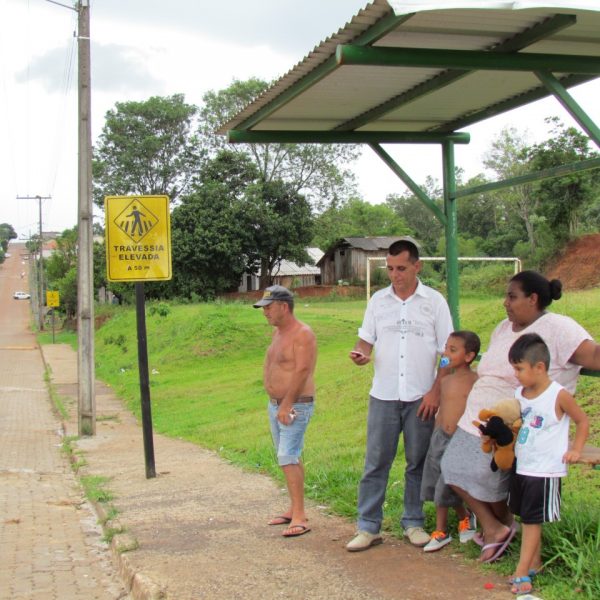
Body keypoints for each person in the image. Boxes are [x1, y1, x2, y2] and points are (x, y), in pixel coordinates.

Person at [441, 271, 600, 563]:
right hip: (478, 418)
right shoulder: (503, 327)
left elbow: (594, 356)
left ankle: (503, 536)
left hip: (518, 425)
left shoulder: (558, 327)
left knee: (481, 475)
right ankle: (498, 529)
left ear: (533, 299)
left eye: (512, 297)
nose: (506, 303)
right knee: (451, 468)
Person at [346, 239, 454, 552]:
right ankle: (368, 527)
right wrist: (360, 354)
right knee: (376, 461)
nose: (395, 275)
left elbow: (447, 353)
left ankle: (414, 522)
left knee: (417, 462)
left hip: (422, 396)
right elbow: (365, 342)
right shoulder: (378, 301)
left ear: (417, 266)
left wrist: (435, 391)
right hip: (384, 394)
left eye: (401, 268)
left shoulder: (434, 302)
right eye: (390, 269)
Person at [507, 333, 589, 596]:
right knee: (525, 515)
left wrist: (575, 449)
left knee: (532, 521)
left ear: (539, 367)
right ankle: (535, 562)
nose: (516, 374)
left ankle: (521, 572)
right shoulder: (519, 393)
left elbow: (582, 421)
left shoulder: (558, 395)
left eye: (519, 368)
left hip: (544, 469)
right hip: (522, 465)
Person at [254, 285, 317, 538]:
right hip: (277, 405)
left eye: (269, 307)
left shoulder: (303, 334)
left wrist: (287, 403)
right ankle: (294, 509)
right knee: (289, 456)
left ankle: (300, 515)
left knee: (287, 456)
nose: (265, 312)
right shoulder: (278, 334)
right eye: (263, 308)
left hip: (295, 405)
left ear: (284, 306)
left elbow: (302, 370)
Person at [420, 330, 480, 552]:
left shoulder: (475, 380)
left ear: (469, 356)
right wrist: (436, 435)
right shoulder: (445, 380)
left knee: (450, 482)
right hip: (440, 438)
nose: (446, 353)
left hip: (460, 439)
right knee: (437, 483)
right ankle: (442, 530)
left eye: (452, 350)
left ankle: (465, 518)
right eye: (446, 348)